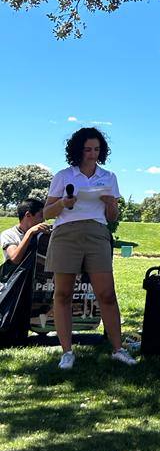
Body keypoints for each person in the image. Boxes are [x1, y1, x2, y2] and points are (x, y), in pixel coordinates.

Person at [44, 127, 136, 370]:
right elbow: (46, 212)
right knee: (63, 295)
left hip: (97, 233)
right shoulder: (64, 176)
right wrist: (64, 202)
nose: (92, 154)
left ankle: (118, 349)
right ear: (78, 150)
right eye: (87, 149)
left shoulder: (109, 177)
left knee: (107, 294)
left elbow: (113, 216)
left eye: (96, 149)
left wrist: (110, 202)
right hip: (66, 234)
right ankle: (67, 352)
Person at [1, 198, 49, 266]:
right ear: (28, 215)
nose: (43, 220)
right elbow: (15, 259)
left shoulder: (41, 234)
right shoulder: (8, 234)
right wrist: (30, 233)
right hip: (16, 276)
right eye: (41, 216)